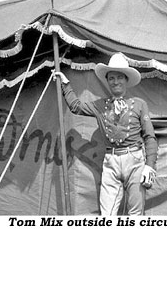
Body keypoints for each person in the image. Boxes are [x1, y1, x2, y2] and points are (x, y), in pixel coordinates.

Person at [54, 52, 158, 216]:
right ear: (107, 81)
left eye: (119, 77)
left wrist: (149, 166)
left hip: (135, 160)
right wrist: (65, 84)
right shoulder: (100, 105)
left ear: (126, 80)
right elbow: (76, 106)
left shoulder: (139, 104)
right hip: (111, 162)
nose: (115, 82)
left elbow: (150, 137)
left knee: (136, 214)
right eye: (111, 78)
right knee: (106, 215)